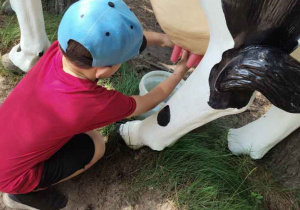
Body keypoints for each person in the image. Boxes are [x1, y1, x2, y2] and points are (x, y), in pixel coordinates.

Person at [0, 0, 190, 209]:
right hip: (11, 177)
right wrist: (179, 72)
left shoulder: (59, 50)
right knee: (96, 145)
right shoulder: (92, 103)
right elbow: (147, 102)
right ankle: (22, 195)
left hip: (8, 143)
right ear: (103, 71)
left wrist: (165, 40)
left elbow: (122, 41)